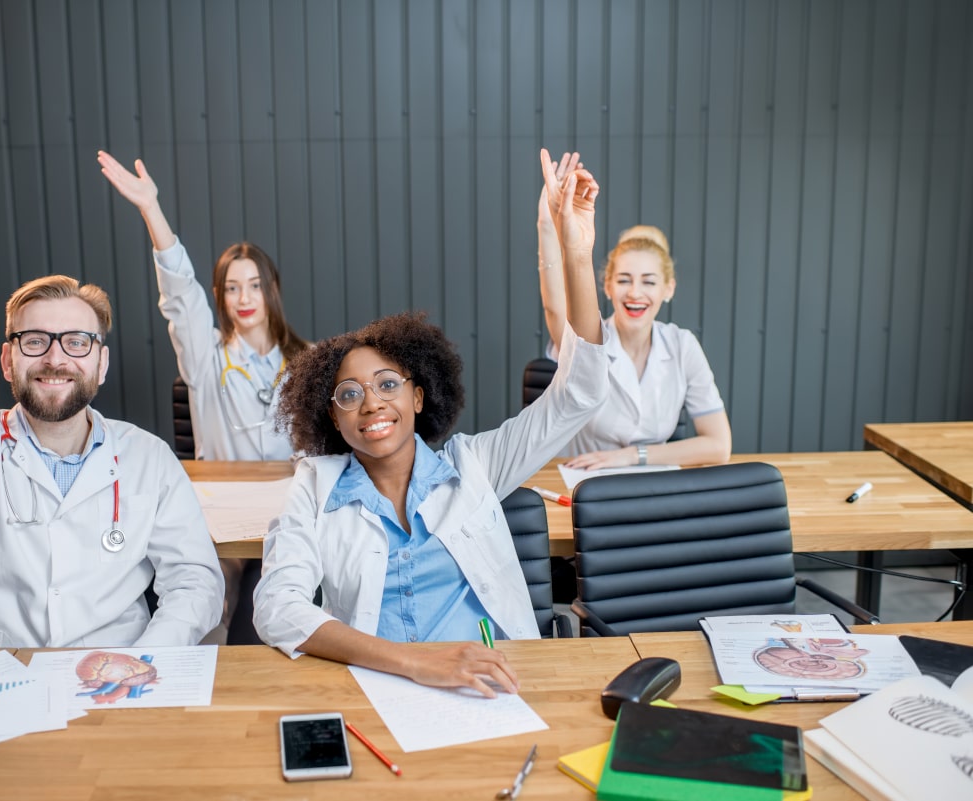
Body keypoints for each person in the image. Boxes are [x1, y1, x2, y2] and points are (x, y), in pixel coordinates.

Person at [252, 150, 609, 698]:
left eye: (388, 384)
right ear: (333, 417)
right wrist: (414, 663)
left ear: (419, 396)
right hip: (383, 690)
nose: (372, 403)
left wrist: (576, 252)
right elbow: (278, 608)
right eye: (350, 394)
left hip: (496, 686)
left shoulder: (476, 465)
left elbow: (579, 391)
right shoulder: (315, 488)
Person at [0, 76, 224, 648]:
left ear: (101, 363)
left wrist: (144, 661)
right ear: (7, 359)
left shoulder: (147, 459)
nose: (55, 358)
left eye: (76, 342)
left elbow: (194, 581)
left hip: (117, 689)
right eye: (34, 340)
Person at [97, 150, 309, 643]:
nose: (244, 298)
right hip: (224, 513)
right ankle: (187, 691)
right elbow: (180, 298)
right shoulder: (206, 357)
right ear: (219, 295)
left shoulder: (308, 360)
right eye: (232, 288)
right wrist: (152, 210)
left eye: (255, 284)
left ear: (271, 289)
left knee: (287, 606)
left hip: (290, 510)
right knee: (214, 599)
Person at [536, 187, 731, 469]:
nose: (635, 293)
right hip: (583, 485)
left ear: (668, 288)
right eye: (624, 280)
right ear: (607, 286)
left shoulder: (682, 345)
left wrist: (631, 456)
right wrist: (548, 223)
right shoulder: (589, 341)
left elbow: (719, 445)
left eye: (649, 282)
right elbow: (555, 308)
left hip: (652, 485)